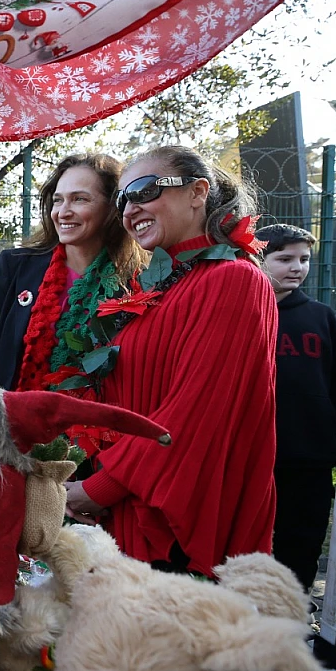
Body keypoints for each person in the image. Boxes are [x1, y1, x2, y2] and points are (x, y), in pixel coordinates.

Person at [64, 146, 277, 577]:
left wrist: (99, 488)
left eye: (144, 190)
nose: (130, 209)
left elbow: (197, 414)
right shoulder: (159, 287)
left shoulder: (234, 279)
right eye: (123, 199)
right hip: (132, 502)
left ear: (198, 192)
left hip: (177, 520)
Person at [0, 154, 144, 415]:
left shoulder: (136, 280)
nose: (63, 211)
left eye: (79, 199)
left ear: (113, 207)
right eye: (58, 200)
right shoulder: (15, 267)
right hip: (8, 435)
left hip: (96, 435)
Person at [255, 223, 336, 592]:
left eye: (304, 259)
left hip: (309, 456)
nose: (297, 267)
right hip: (255, 452)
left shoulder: (323, 318)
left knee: (302, 539)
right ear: (258, 259)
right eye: (284, 258)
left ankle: (295, 606)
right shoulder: (243, 312)